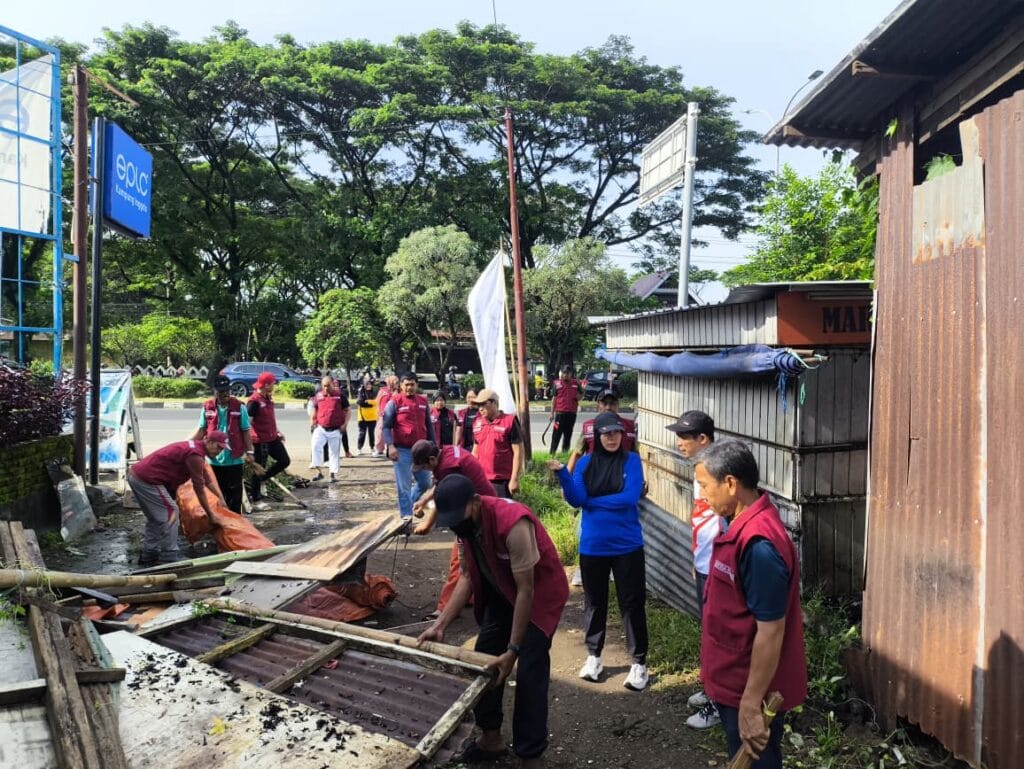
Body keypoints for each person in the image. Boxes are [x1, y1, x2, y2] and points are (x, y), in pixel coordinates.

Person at [417, 474, 569, 769]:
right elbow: (466, 577)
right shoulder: (464, 525)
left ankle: (530, 754)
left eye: (457, 517)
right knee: (485, 660)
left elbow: (526, 590)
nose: (454, 525)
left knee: (530, 671)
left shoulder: (513, 523)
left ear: (474, 502)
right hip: (501, 589)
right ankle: (491, 737)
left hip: (538, 594)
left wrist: (513, 649)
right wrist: (441, 625)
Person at [695, 439, 807, 768]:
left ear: (730, 483)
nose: (701, 495)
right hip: (733, 679)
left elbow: (771, 631)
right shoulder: (738, 527)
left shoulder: (759, 545)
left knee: (759, 760)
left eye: (704, 485)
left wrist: (750, 702)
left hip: (750, 687)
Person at [548, 411, 649, 692]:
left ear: (623, 435)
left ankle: (639, 663)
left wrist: (594, 502)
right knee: (594, 602)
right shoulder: (584, 463)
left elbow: (629, 497)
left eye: (616, 433)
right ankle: (594, 657)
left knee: (632, 602)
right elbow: (577, 499)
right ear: (597, 437)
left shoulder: (631, 460)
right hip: (593, 545)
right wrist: (563, 478)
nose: (612, 438)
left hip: (628, 544)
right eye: (606, 434)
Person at [665, 409, 721, 728]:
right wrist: (695, 560)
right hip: (704, 564)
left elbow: (724, 523)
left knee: (717, 636)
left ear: (703, 439)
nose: (679, 443)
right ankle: (712, 688)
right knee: (709, 631)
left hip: (717, 569)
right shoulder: (702, 468)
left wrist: (713, 564)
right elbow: (702, 521)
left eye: (684, 437)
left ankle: (718, 703)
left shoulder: (716, 469)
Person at [410, 438, 495, 615]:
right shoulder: (447, 452)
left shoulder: (449, 465)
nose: (425, 470)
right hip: (475, 507)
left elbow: (444, 496)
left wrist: (426, 525)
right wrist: (424, 500)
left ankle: (446, 608)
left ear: (432, 459)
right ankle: (469, 596)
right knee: (472, 556)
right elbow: (441, 484)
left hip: (480, 512)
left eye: (425, 466)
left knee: (461, 559)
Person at [128, 432, 229, 566]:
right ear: (208, 441)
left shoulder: (197, 450)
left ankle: (149, 554)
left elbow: (207, 479)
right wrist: (211, 515)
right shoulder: (195, 455)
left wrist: (221, 499)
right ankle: (169, 556)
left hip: (139, 476)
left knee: (157, 518)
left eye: (222, 449)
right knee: (172, 512)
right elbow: (199, 489)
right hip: (147, 480)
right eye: (218, 447)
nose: (219, 452)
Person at [189, 375, 255, 514]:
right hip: (213, 461)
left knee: (234, 498)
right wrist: (187, 446)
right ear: (215, 391)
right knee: (216, 497)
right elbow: (201, 430)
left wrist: (250, 452)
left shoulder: (239, 407)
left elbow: (245, 431)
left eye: (226, 390)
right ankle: (219, 524)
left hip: (234, 459)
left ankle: (235, 526)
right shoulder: (207, 408)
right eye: (221, 391)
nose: (224, 394)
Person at [381, 372, 435, 519]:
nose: (410, 387)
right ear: (401, 386)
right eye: (407, 384)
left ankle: (410, 505)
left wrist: (434, 447)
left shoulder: (423, 402)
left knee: (425, 483)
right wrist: (390, 446)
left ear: (417, 385)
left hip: (422, 452)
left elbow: (429, 426)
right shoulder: (394, 402)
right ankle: (406, 519)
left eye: (412, 384)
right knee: (403, 487)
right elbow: (386, 427)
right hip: (402, 451)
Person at [566, 388, 636, 473]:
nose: (608, 407)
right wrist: (566, 480)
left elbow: (639, 457)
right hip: (594, 477)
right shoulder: (589, 427)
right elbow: (577, 454)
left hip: (623, 478)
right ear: (598, 405)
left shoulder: (630, 426)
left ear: (618, 405)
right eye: (604, 403)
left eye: (612, 403)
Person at [246, 372, 291, 502]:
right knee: (258, 469)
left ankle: (261, 480)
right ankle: (255, 497)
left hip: (272, 438)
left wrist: (278, 431)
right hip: (260, 442)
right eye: (273, 383)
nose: (274, 385)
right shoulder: (254, 402)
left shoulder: (267, 398)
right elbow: (246, 423)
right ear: (266, 385)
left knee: (284, 461)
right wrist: (247, 444)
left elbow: (269, 419)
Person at [471, 388, 523, 497]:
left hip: (502, 480)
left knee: (502, 512)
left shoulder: (509, 421)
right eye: (478, 406)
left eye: (484, 404)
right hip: (482, 479)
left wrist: (514, 479)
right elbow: (475, 451)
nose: (480, 409)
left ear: (494, 403)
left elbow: (518, 452)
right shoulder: (477, 423)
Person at [309, 375, 349, 482]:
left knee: (334, 453)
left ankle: (332, 475)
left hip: (335, 429)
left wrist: (345, 424)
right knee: (315, 447)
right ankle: (319, 473)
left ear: (333, 384)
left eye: (328, 385)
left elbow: (348, 410)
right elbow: (314, 408)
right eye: (324, 386)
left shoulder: (340, 396)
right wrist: (312, 420)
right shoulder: (319, 396)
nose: (326, 388)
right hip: (321, 428)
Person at [548, 366, 581, 453]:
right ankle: (552, 453)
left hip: (571, 414)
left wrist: (579, 396)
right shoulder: (557, 383)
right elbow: (554, 399)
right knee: (556, 435)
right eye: (564, 373)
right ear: (561, 373)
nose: (566, 375)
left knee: (568, 435)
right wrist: (551, 413)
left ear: (571, 374)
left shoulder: (576, 383)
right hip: (559, 414)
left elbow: (580, 396)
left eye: (567, 373)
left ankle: (565, 453)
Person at [373, 375, 399, 458]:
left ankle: (390, 450)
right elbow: (378, 401)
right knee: (380, 433)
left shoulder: (398, 392)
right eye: (395, 383)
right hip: (383, 415)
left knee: (392, 433)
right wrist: (378, 411)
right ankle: (378, 449)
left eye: (397, 383)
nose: (397, 384)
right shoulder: (383, 391)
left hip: (394, 416)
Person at [355, 377, 378, 455]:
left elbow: (376, 402)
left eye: (370, 384)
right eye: (367, 384)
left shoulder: (374, 392)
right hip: (362, 417)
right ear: (364, 385)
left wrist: (367, 402)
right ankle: (359, 448)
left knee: (371, 434)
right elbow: (360, 402)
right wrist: (370, 403)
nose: (369, 385)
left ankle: (372, 448)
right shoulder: (361, 391)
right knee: (362, 433)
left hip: (372, 417)